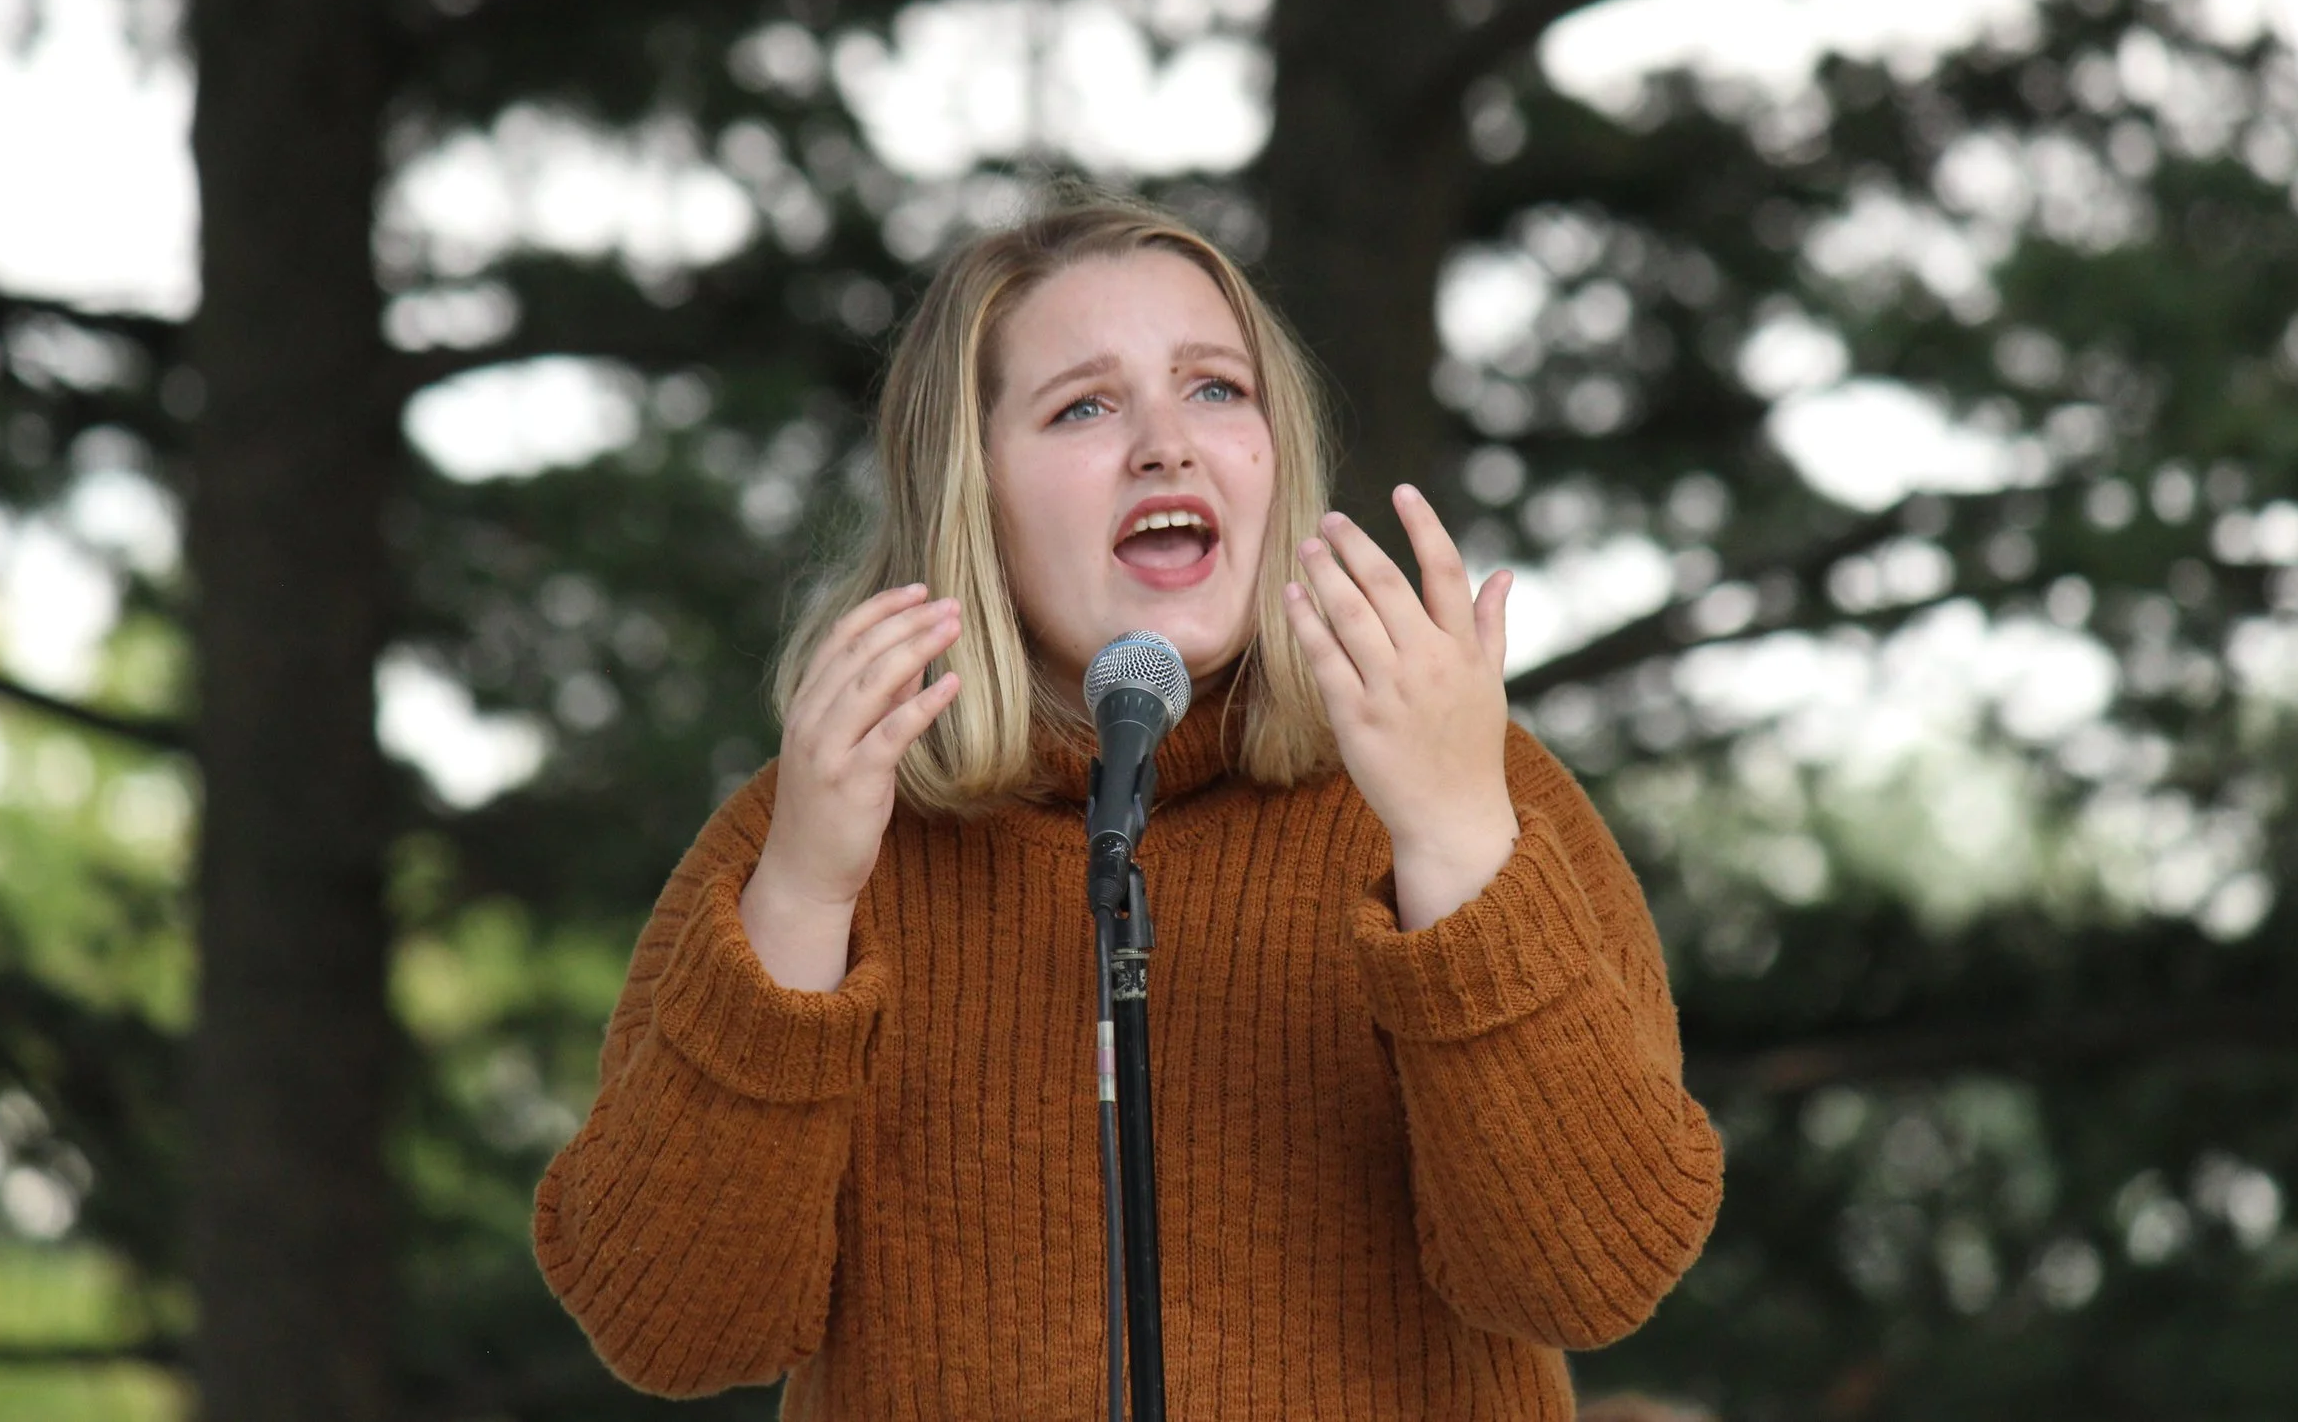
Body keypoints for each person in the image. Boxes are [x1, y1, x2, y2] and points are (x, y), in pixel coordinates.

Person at [532, 189, 1723, 1419]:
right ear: (970, 492)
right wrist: (802, 899)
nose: (1167, 441)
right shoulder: (810, 826)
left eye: (1216, 388)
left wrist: (1454, 841)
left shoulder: (1478, 784)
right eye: (1084, 405)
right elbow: (672, 1328)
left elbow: (1595, 1277)